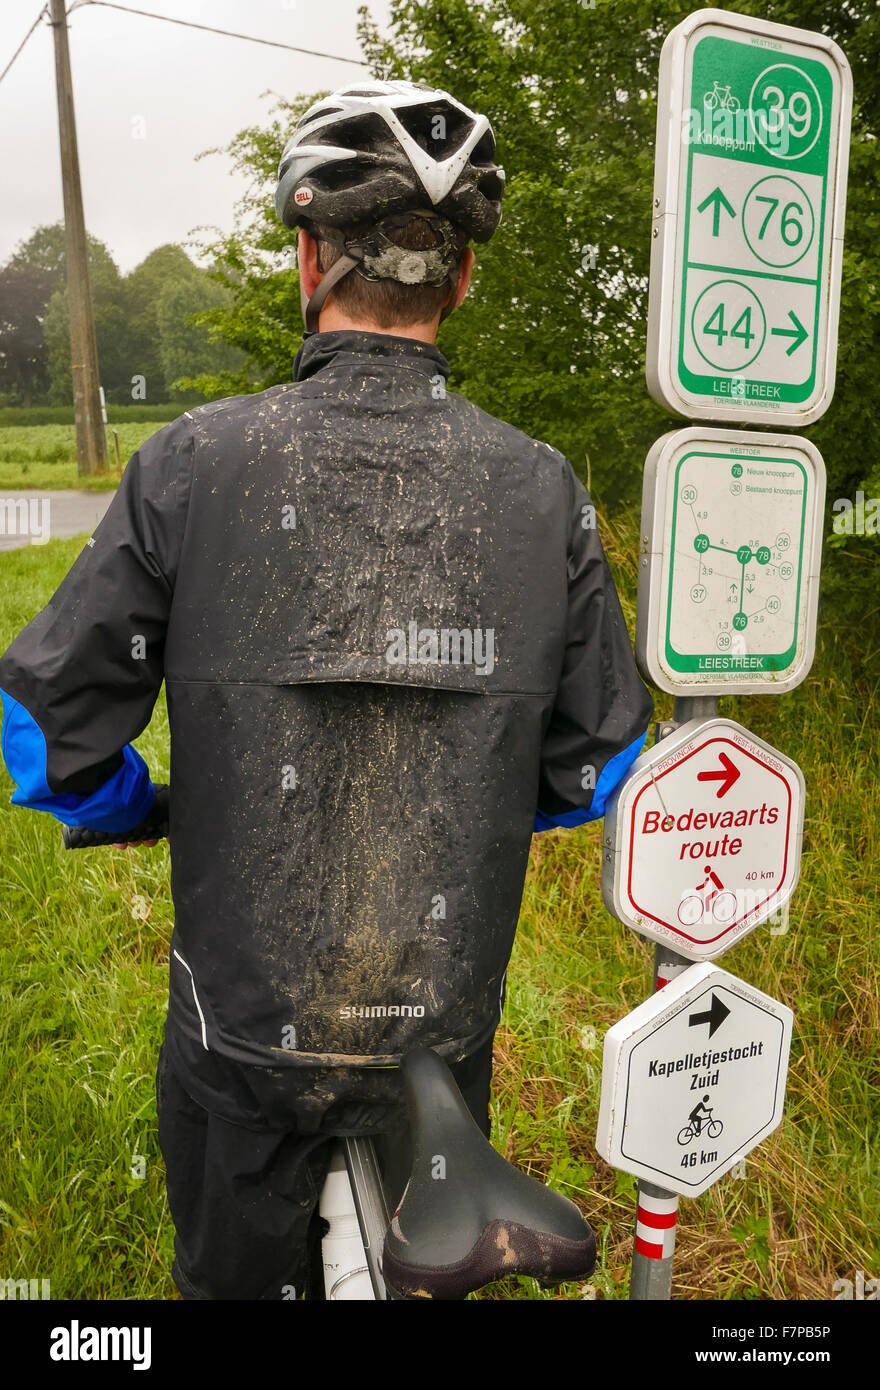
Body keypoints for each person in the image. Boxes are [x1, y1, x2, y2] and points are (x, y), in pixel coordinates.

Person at [0, 80, 653, 1300]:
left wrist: (136, 804)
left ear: (308, 256)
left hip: (241, 1042)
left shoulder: (190, 462)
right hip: (441, 1044)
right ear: (459, 281)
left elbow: (47, 737)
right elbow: (599, 761)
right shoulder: (543, 488)